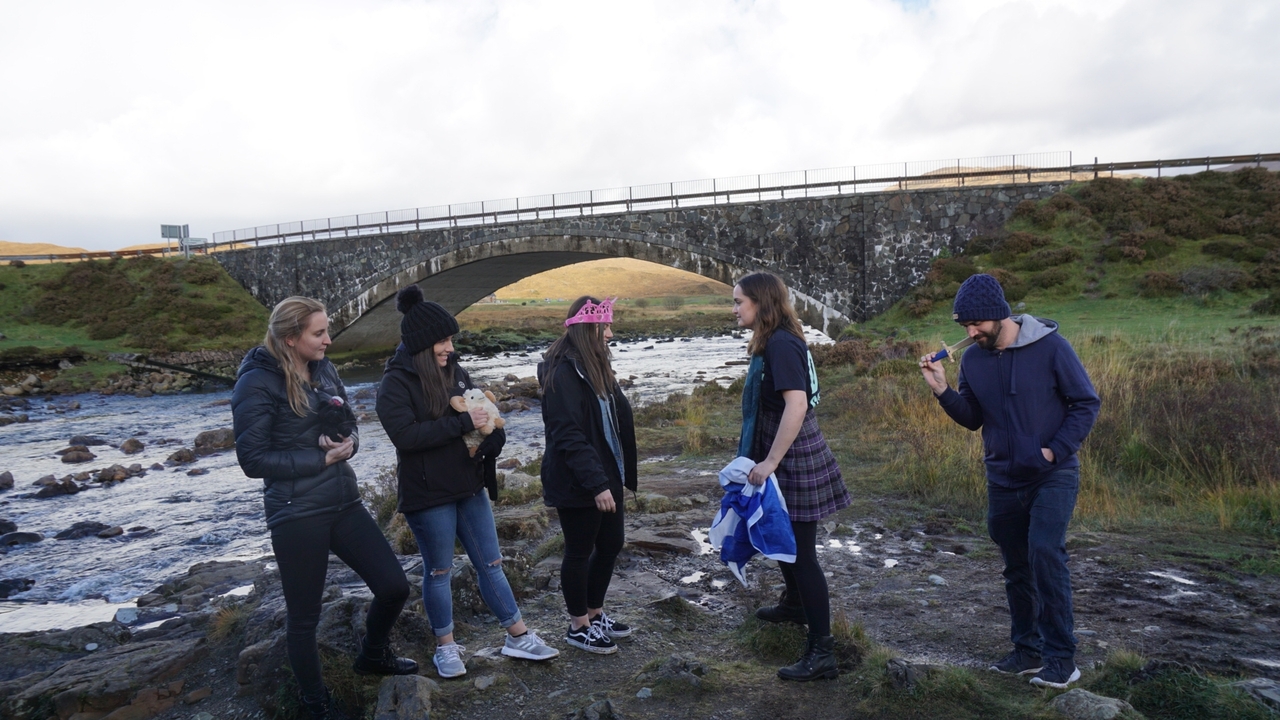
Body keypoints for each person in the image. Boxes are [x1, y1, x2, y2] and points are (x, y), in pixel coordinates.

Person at [232, 297, 416, 720]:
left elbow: (348, 420)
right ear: (291, 338)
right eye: (319, 333)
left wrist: (349, 443)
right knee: (304, 619)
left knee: (394, 586)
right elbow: (252, 461)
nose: (329, 340)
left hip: (344, 501)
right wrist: (319, 459)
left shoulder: (324, 368)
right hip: (296, 512)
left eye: (327, 330)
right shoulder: (255, 383)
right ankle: (316, 706)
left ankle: (372, 655)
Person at [918, 273, 1100, 690]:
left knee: (1045, 555)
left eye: (976, 324)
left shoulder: (1051, 347)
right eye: (964, 326)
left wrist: (1053, 450)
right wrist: (943, 391)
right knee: (1017, 567)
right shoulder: (974, 359)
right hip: (1002, 478)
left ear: (999, 316)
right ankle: (1027, 650)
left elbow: (1085, 402)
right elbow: (973, 419)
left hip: (1052, 474)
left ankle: (1062, 659)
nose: (970, 332)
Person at [377, 285, 559, 679]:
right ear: (424, 344)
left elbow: (483, 412)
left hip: (468, 485)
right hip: (428, 494)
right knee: (439, 571)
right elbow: (405, 437)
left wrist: (493, 439)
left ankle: (517, 635)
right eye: (443, 340)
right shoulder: (395, 383)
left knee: (491, 563)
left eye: (450, 339)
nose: (449, 347)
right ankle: (446, 648)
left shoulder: (455, 370)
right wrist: (462, 423)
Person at [734, 271, 851, 682]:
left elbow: (796, 406)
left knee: (802, 554)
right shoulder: (776, 339)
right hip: (783, 452)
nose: (734, 309)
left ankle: (822, 651)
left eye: (739, 302)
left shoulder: (782, 343)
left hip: (793, 455)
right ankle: (795, 605)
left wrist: (768, 462)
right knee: (781, 539)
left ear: (760, 304)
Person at [538, 296, 638, 655]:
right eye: (605, 327)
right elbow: (568, 434)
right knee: (579, 551)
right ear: (588, 329)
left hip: (606, 472)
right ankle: (578, 625)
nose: (610, 334)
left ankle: (595, 614)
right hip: (577, 479)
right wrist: (596, 483)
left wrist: (614, 477)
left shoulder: (595, 364)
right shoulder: (561, 372)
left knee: (610, 544)